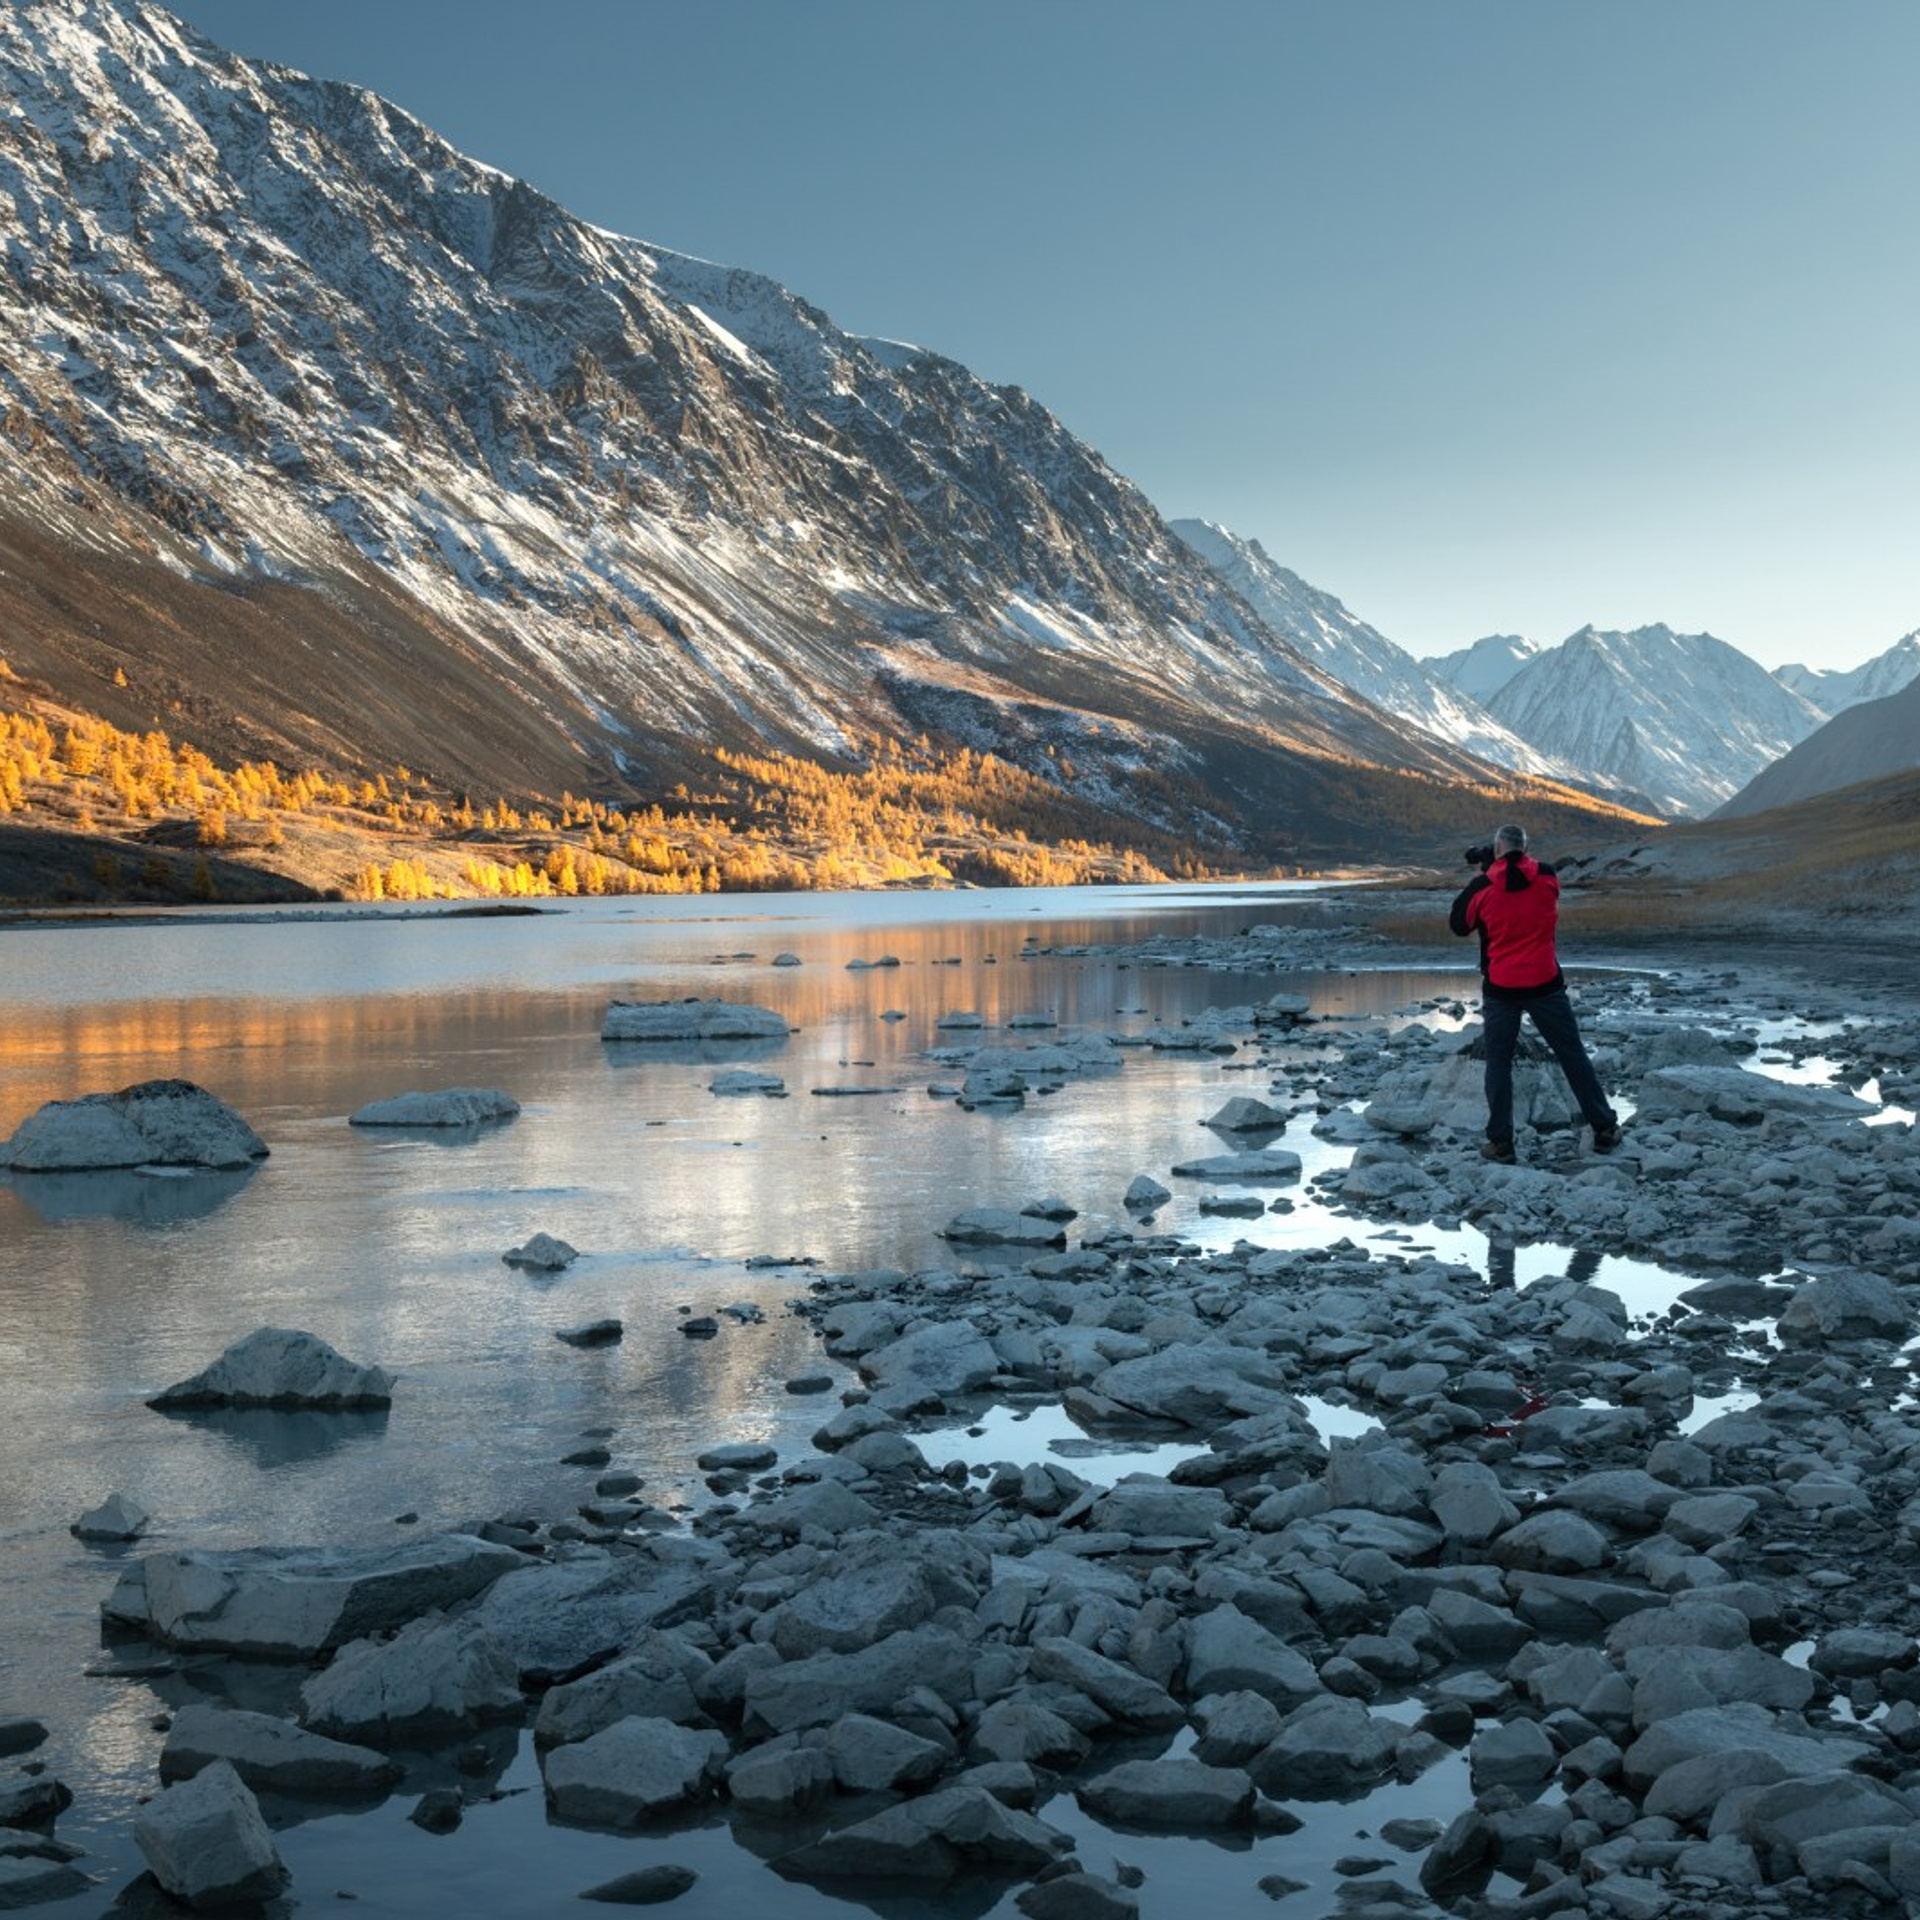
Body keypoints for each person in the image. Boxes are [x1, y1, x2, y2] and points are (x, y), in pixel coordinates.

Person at [1449, 823, 1620, 1163]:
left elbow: (1458, 923)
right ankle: (1603, 1127)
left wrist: (1487, 869)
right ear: (1524, 848)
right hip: (1545, 982)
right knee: (1571, 1053)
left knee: (1498, 1063)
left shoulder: (1483, 886)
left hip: (1502, 986)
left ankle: (1501, 1143)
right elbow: (1520, 876)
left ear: (1497, 849)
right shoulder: (1546, 876)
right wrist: (1499, 861)